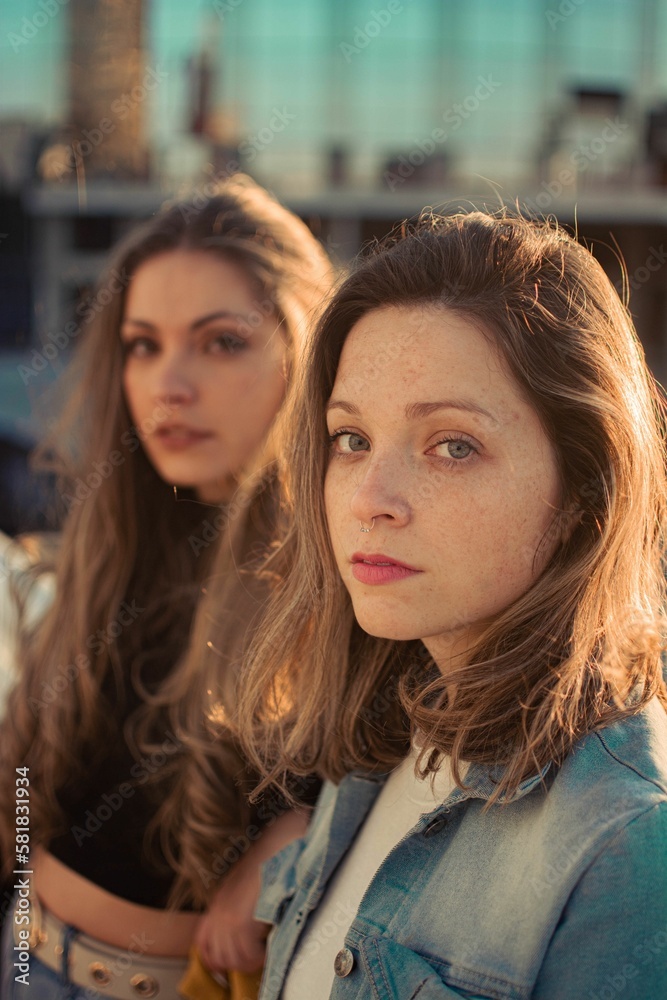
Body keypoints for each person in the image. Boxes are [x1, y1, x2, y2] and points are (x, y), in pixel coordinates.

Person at [237, 210, 667, 999]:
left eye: (451, 445)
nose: (371, 499)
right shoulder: (393, 724)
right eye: (351, 439)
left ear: (583, 490)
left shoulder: (627, 844)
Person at [0, 174, 332, 998]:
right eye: (143, 344)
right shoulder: (111, 539)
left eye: (221, 342)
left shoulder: (344, 570)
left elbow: (403, 753)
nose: (167, 385)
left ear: (303, 348)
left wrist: (296, 833)